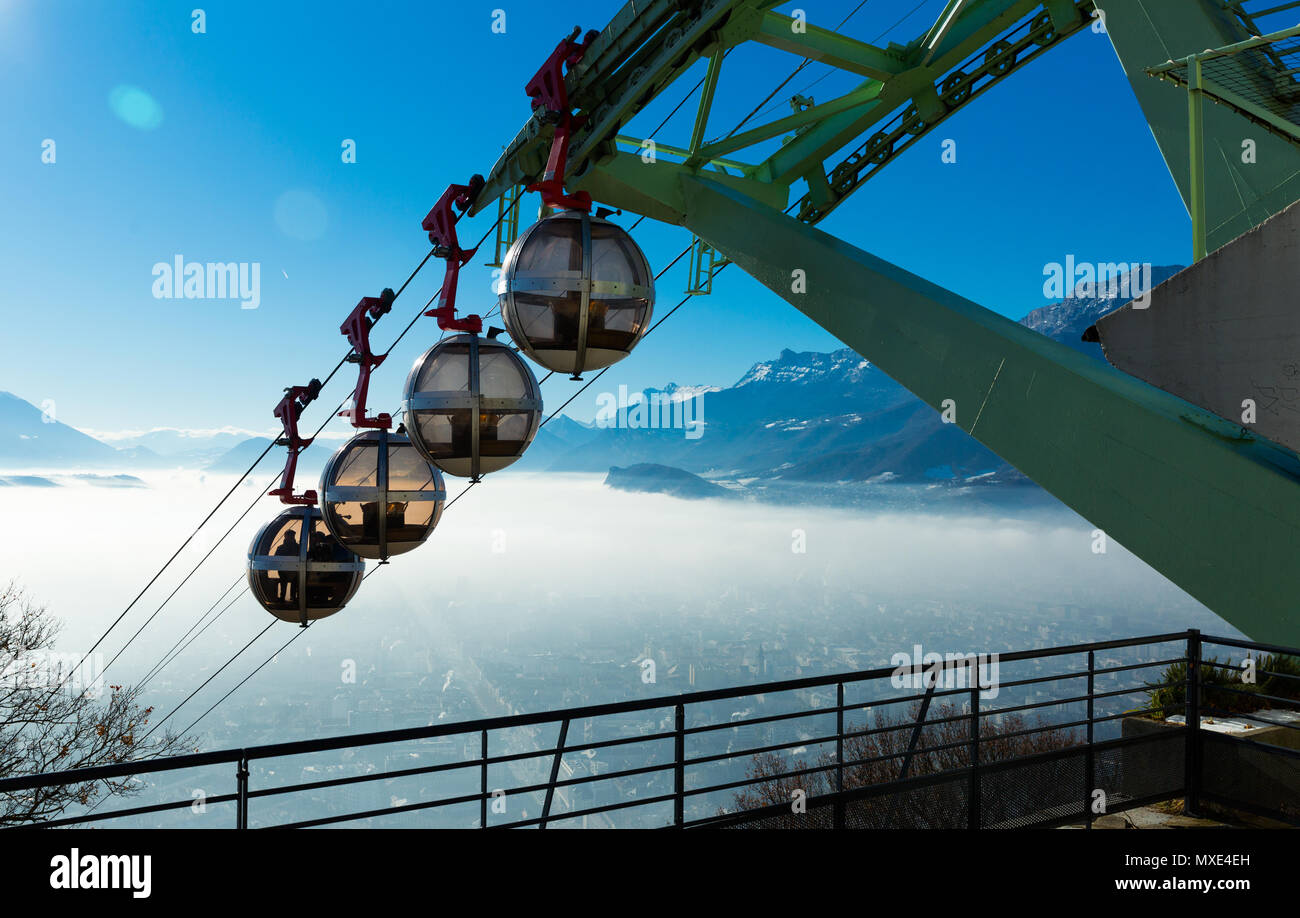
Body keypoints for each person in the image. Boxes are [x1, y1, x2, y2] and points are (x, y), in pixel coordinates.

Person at [274, 528, 301, 606]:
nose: (291, 537)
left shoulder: (297, 547)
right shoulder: (298, 547)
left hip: (294, 570)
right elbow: (276, 559)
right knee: (285, 580)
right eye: (289, 536)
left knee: (294, 580)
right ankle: (286, 597)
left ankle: (292, 597)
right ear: (285, 537)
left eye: (292, 536)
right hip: (285, 571)